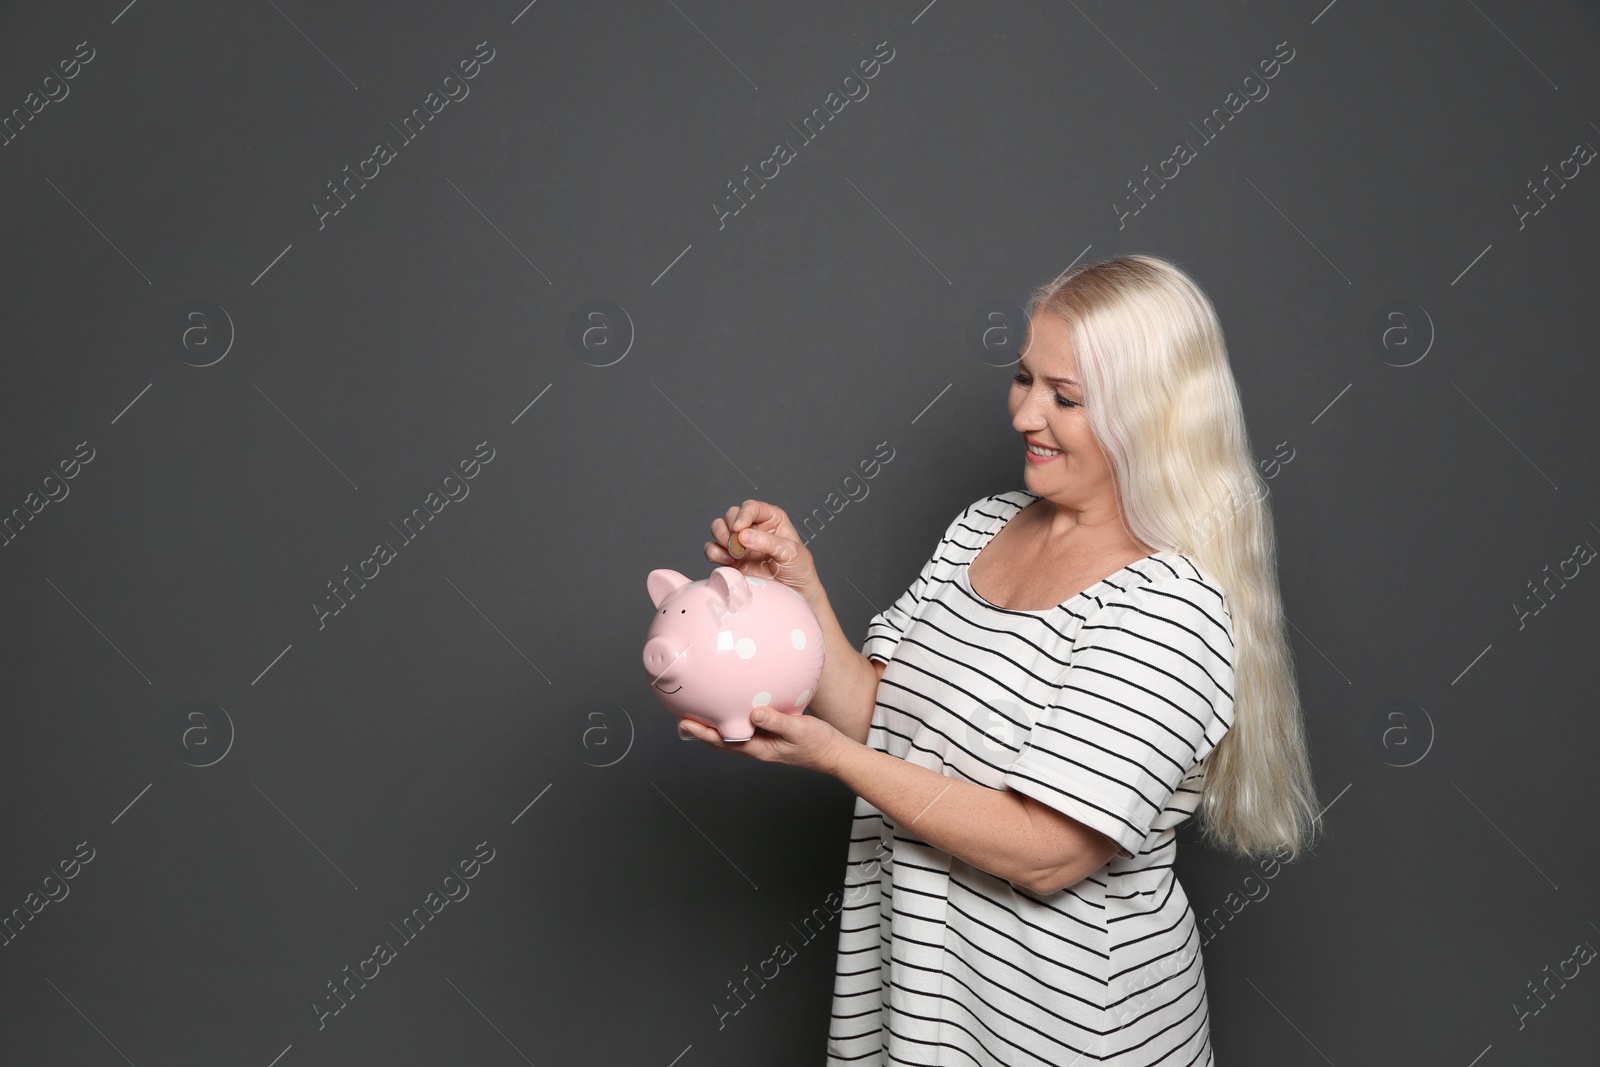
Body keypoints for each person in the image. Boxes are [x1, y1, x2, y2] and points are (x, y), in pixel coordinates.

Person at [680, 254, 1319, 1065]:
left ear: (1151, 415)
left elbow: (1046, 850)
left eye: (1066, 398)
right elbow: (887, 716)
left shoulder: (1167, 607)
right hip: (921, 1014)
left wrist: (835, 760)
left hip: (1069, 1037)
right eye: (1024, 379)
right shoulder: (985, 526)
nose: (1025, 415)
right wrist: (799, 587)